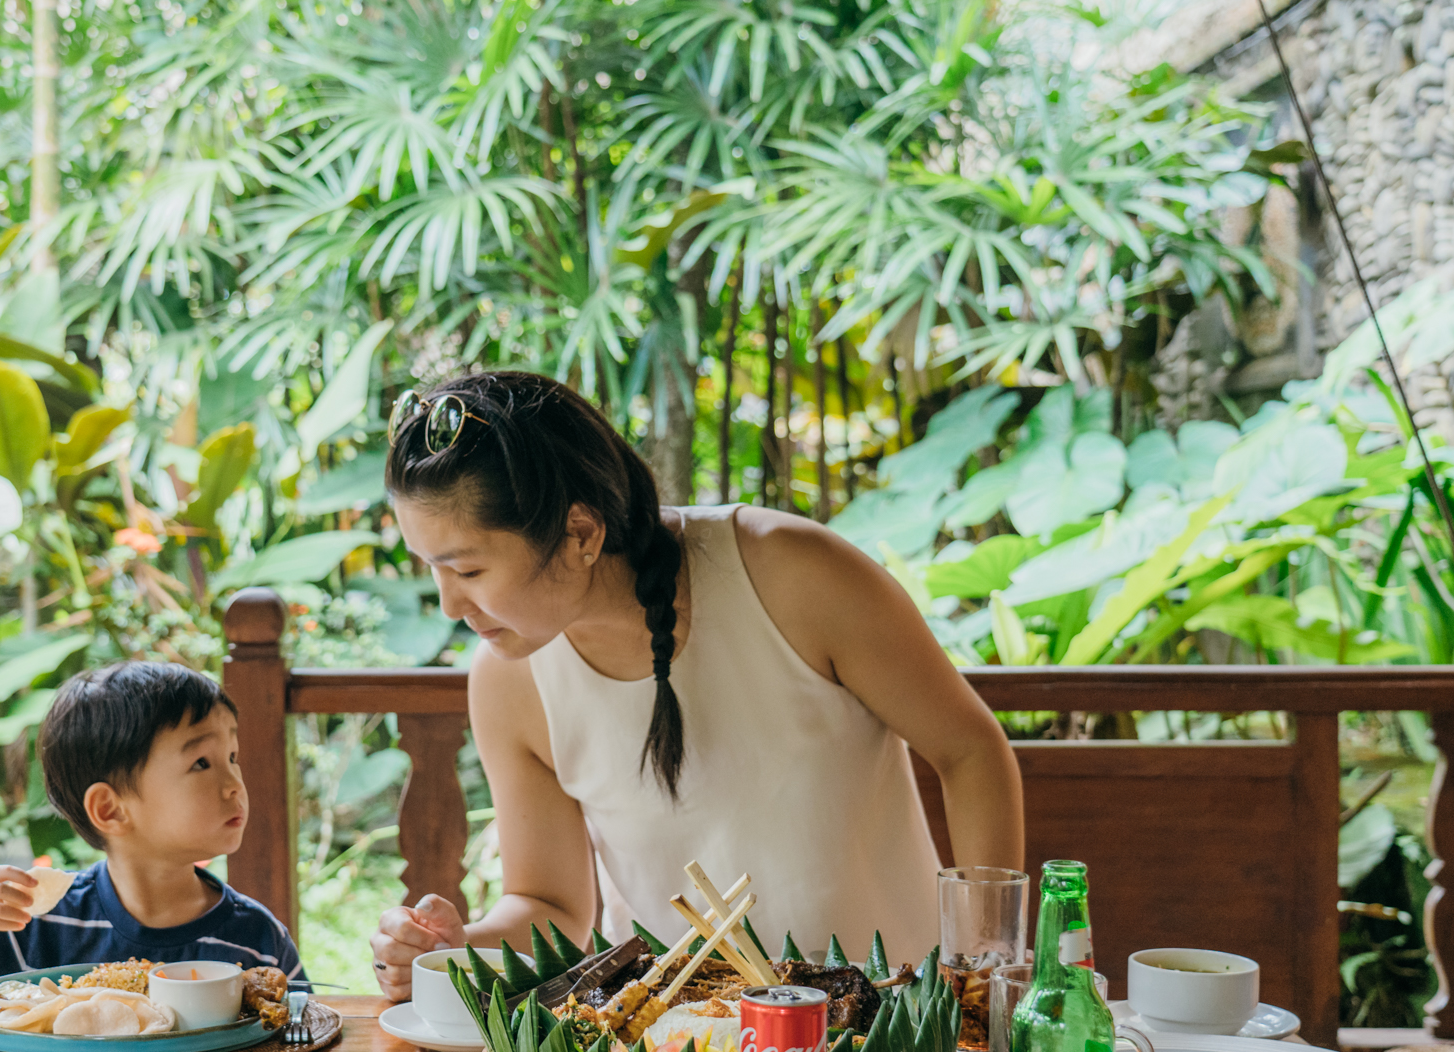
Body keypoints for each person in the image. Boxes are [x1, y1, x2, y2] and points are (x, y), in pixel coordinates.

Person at [368, 372, 1023, 1000]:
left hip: (886, 1035)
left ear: (580, 533)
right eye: (432, 569)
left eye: (469, 569)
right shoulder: (507, 679)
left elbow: (970, 752)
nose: (449, 604)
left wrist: (983, 969)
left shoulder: (793, 573)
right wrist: (454, 947)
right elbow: (553, 906)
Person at [0, 661, 305, 993]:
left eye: (233, 757)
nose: (235, 785)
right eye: (201, 763)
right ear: (110, 809)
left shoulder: (256, 940)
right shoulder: (40, 923)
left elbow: (302, 1034)